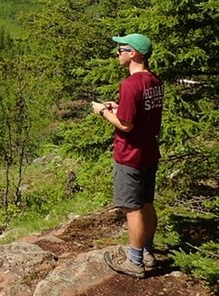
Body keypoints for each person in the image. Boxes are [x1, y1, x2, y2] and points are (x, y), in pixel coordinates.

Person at [91, 33, 164, 279]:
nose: (117, 52)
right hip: (149, 153)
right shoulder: (154, 80)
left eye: (120, 48)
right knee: (147, 203)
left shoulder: (130, 84)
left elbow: (126, 125)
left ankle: (135, 262)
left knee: (132, 209)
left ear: (133, 53)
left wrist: (102, 111)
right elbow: (139, 113)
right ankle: (147, 252)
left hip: (130, 156)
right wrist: (118, 107)